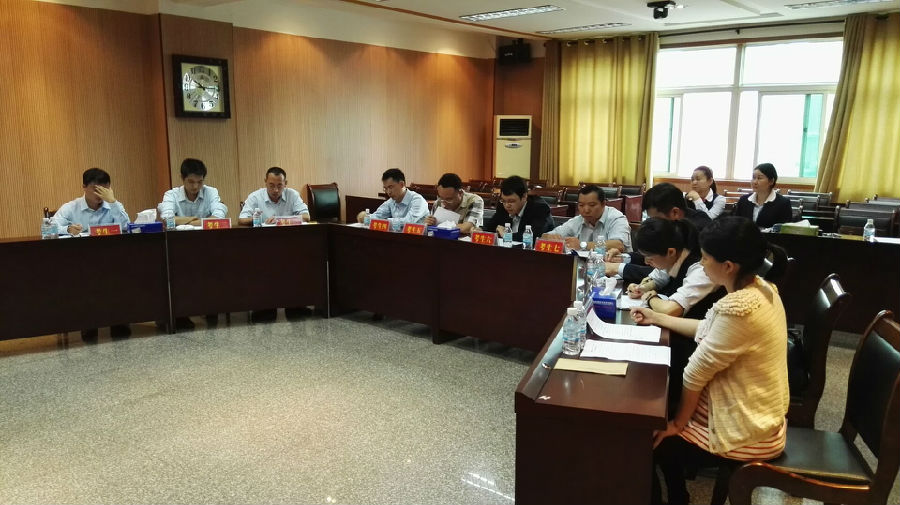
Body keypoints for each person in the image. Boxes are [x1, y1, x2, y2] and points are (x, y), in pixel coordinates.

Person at [631, 217, 789, 505]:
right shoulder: (760, 289)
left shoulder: (739, 308)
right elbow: (707, 328)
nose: (701, 265)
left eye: (705, 258)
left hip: (745, 430)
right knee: (658, 416)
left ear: (728, 266)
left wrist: (678, 424)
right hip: (757, 414)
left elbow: (693, 374)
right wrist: (656, 317)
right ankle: (678, 495)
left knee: (646, 438)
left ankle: (674, 497)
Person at [51, 167, 132, 342]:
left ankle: (119, 321)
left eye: (105, 189)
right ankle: (89, 323)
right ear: (84, 187)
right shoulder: (71, 207)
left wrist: (113, 202)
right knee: (85, 278)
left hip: (111, 261)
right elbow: (50, 226)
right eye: (96, 189)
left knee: (121, 274)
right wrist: (68, 229)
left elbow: (127, 227)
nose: (100, 194)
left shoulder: (114, 206)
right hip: (82, 262)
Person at [607, 183, 711, 284]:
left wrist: (618, 268)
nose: (653, 223)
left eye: (656, 219)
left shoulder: (695, 233)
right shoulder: (674, 225)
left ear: (675, 212)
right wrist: (623, 257)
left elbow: (668, 273)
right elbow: (655, 254)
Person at [542, 185, 631, 252]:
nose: (586, 210)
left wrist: (582, 245)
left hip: (615, 267)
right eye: (581, 205)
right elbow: (544, 237)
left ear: (603, 204)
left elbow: (618, 245)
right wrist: (550, 237)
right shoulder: (578, 220)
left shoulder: (616, 218)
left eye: (592, 205)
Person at [481, 175, 554, 241]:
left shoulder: (539, 208)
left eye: (511, 201)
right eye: (503, 201)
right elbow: (490, 226)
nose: (507, 205)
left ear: (524, 196)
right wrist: (480, 230)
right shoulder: (502, 206)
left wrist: (507, 235)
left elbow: (534, 236)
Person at [158, 158, 228, 225]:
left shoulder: (211, 192)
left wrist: (184, 222)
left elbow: (219, 217)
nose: (195, 186)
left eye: (200, 182)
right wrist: (195, 220)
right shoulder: (171, 195)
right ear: (182, 178)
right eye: (191, 182)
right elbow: (167, 219)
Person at [356, 168, 428, 228]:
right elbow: (378, 215)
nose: (388, 192)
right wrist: (366, 217)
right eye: (385, 188)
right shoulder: (391, 201)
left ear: (402, 184)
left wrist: (384, 222)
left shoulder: (418, 200)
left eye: (390, 187)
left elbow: (408, 222)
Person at [238, 166, 310, 226]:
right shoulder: (255, 197)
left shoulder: (292, 195)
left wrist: (281, 220)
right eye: (271, 185)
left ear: (285, 183)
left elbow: (306, 217)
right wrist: (258, 219)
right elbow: (241, 220)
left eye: (279, 185)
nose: (276, 190)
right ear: (265, 182)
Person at [733, 163, 792, 228]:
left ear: (771, 181)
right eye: (753, 177)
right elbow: (736, 225)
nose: (755, 182)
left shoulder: (783, 203)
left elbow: (783, 229)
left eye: (759, 178)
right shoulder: (743, 200)